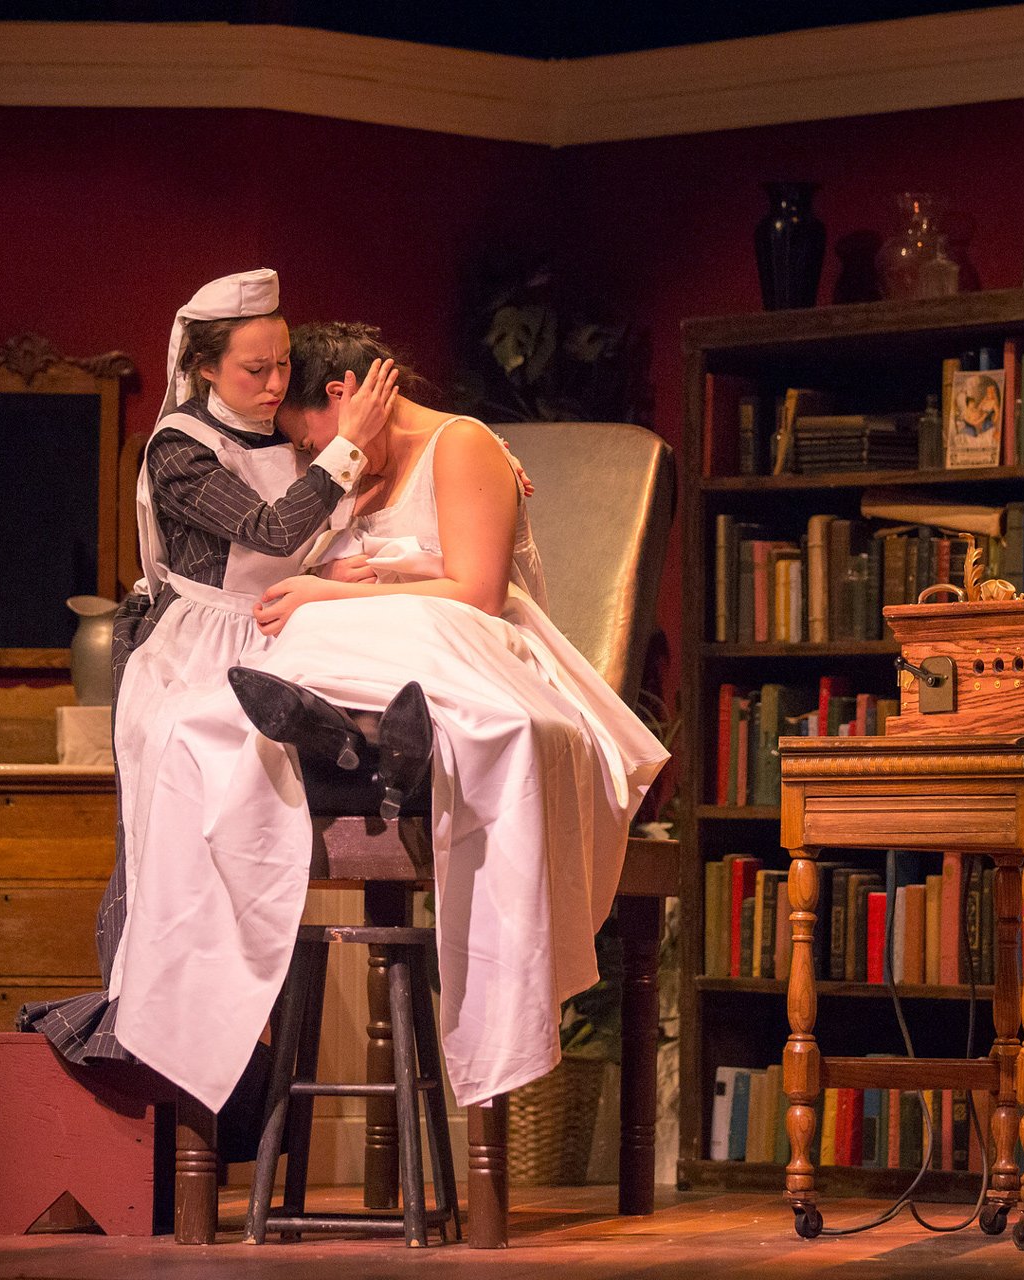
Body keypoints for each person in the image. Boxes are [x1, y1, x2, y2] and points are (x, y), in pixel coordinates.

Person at [115, 321, 668, 1116]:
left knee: (387, 634)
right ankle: (343, 739)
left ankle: (382, 744)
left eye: (308, 439)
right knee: (242, 692)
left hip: (459, 639)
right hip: (360, 654)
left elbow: (477, 595)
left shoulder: (462, 445)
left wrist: (332, 591)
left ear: (345, 398)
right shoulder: (350, 475)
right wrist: (321, 580)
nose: (309, 462)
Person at [20, 269, 396, 1085]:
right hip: (199, 646)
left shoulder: (289, 428)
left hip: (286, 627)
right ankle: (152, 1037)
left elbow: (320, 531)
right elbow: (268, 529)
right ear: (203, 368)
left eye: (281, 365)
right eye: (251, 370)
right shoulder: (182, 446)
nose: (271, 386)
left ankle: (238, 1045)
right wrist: (347, 448)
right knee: (176, 840)